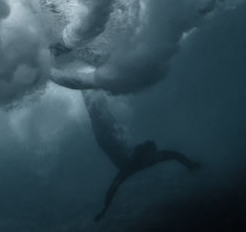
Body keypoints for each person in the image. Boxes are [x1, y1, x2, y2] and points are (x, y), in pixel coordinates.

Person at [83, 91, 201, 221]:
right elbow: (114, 187)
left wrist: (190, 165)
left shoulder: (150, 158)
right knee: (102, 112)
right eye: (150, 157)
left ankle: (86, 89)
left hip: (106, 141)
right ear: (144, 155)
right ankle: (90, 87)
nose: (153, 159)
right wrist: (104, 208)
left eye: (153, 155)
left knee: (95, 114)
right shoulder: (131, 164)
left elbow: (174, 155)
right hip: (113, 139)